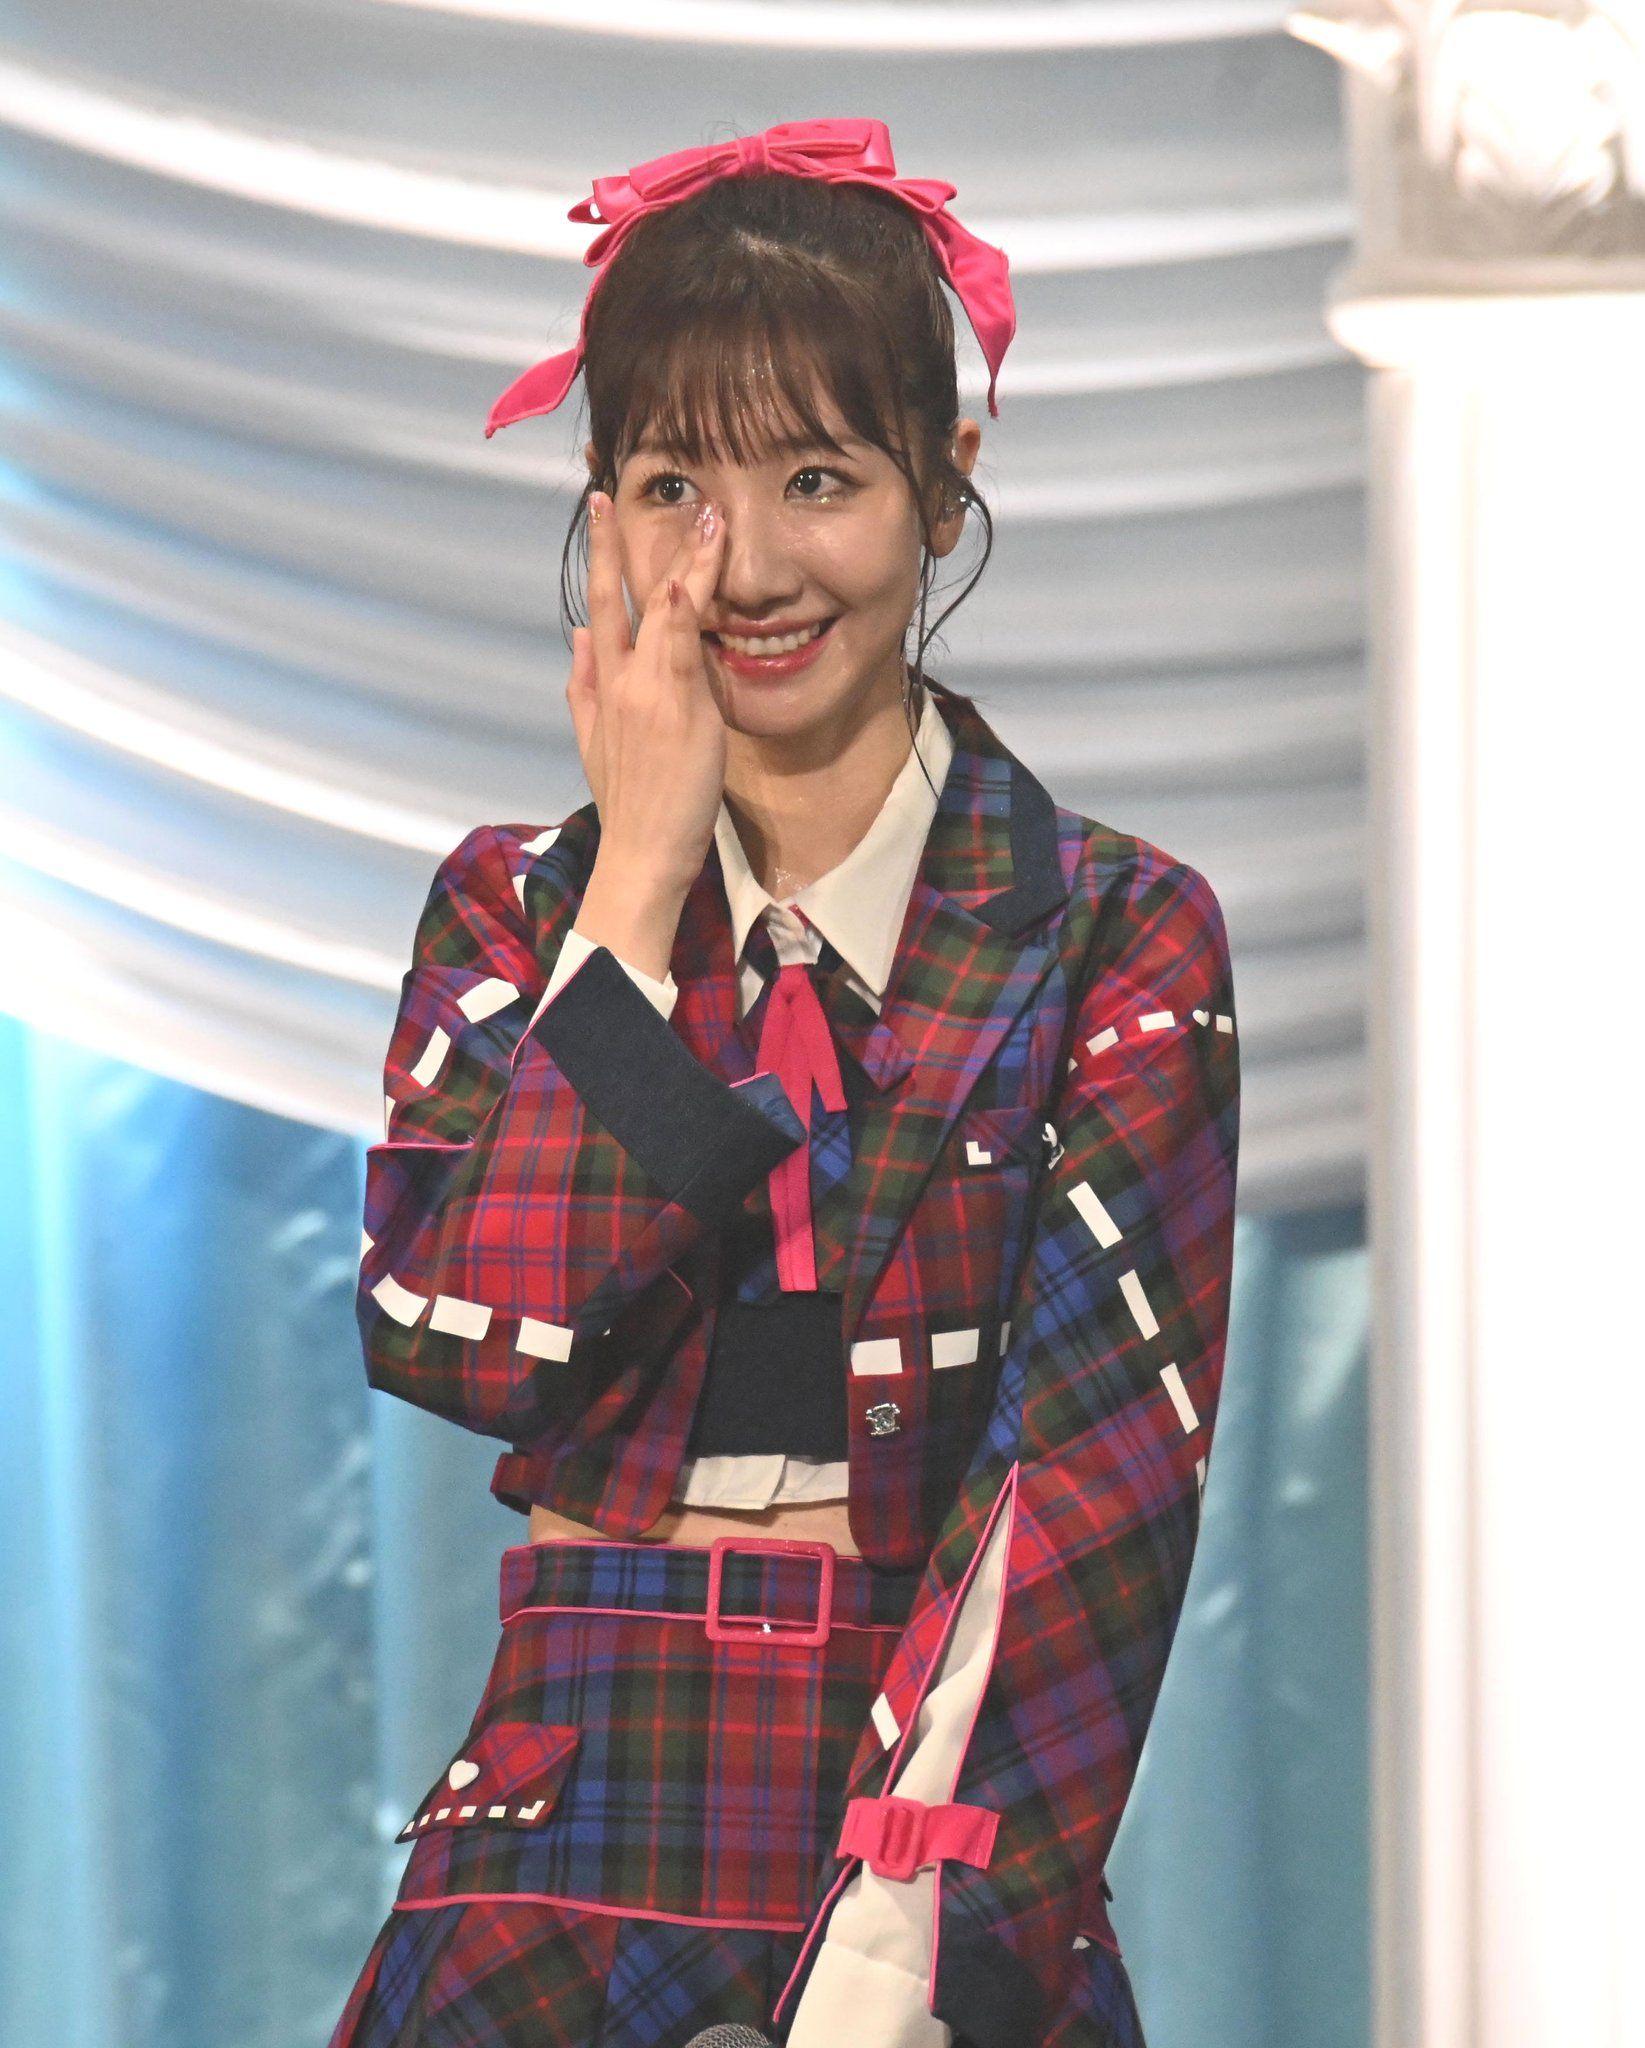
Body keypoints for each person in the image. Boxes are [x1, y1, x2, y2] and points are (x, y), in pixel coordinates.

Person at [327, 118, 1241, 2048]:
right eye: (672, 485)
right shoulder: (517, 907)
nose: (737, 565)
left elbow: (1087, 1503)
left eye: (816, 476)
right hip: (559, 1836)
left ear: (943, 485)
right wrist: (640, 887)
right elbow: (466, 1344)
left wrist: (898, 1959)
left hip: (930, 1828)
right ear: (599, 513)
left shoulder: (1111, 935)